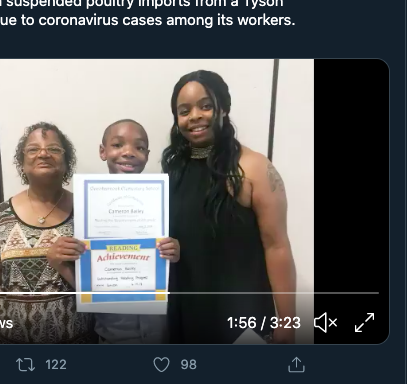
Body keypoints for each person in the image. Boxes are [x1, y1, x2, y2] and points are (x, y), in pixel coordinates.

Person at [162, 71, 296, 344]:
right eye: (184, 111)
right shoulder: (174, 170)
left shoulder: (254, 167)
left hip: (242, 320)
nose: (195, 116)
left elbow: (277, 246)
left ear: (223, 108)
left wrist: (287, 321)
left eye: (205, 106)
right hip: (187, 311)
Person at [48, 119, 180, 344]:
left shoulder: (165, 203)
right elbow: (89, 286)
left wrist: (175, 252)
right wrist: (59, 263)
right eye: (118, 145)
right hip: (113, 334)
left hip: (164, 332)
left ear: (147, 155)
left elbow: (177, 271)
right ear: (103, 151)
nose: (128, 152)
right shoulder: (87, 209)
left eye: (139, 147)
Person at [0, 122, 96, 344]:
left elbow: (104, 280)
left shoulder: (88, 211)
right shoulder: (1, 215)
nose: (43, 154)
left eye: (54, 149)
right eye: (33, 149)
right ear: (22, 163)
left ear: (66, 162)